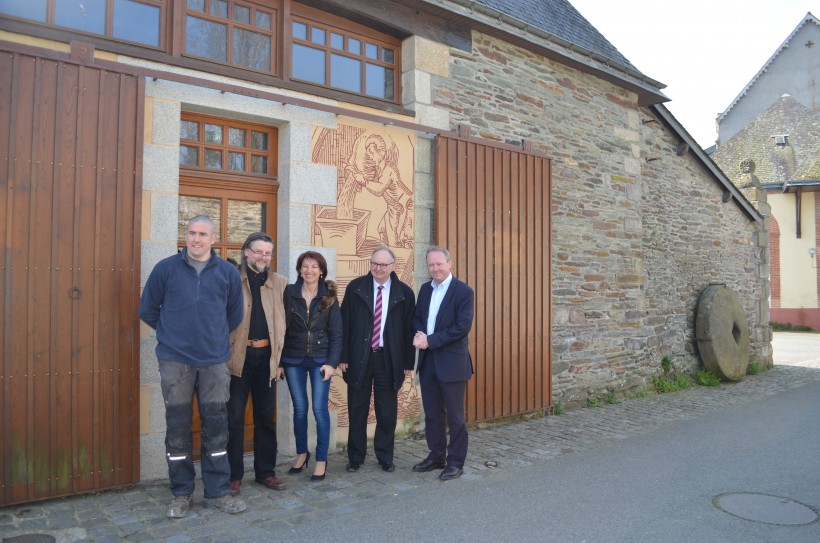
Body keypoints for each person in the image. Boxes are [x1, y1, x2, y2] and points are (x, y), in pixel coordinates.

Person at [138, 215, 246, 518]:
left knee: (216, 427)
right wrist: (173, 336)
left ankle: (218, 492)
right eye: (191, 233)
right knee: (177, 428)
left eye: (202, 234)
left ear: (214, 238)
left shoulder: (227, 273)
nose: (196, 239)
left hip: (213, 362)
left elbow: (234, 315)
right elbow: (147, 309)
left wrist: (210, 337)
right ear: (185, 235)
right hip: (175, 361)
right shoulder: (166, 269)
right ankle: (182, 493)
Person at [340, 247, 415, 473]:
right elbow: (344, 324)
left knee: (387, 412)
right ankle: (355, 457)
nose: (378, 268)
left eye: (383, 265)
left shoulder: (405, 293)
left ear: (393, 266)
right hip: (358, 358)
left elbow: (409, 331)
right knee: (357, 409)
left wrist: (407, 364)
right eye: (374, 263)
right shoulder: (356, 288)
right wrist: (343, 357)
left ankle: (385, 456)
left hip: (389, 360)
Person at [226, 232, 288, 497]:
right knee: (234, 419)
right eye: (259, 251)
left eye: (268, 253)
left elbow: (289, 324)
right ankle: (233, 475)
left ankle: (266, 472)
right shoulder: (231, 279)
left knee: (265, 418)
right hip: (237, 358)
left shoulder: (280, 283)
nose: (263, 257)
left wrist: (281, 361)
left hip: (267, 360)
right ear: (246, 252)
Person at [411, 246, 475, 481]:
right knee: (433, 415)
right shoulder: (425, 289)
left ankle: (456, 461)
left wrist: (430, 340)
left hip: (452, 364)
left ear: (450, 263)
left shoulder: (463, 292)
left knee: (456, 417)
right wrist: (419, 335)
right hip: (428, 362)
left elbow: (461, 327)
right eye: (431, 265)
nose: (435, 268)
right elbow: (418, 317)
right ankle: (436, 456)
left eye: (439, 264)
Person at [279, 251, 342, 482]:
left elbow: (337, 333)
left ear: (322, 270)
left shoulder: (330, 297)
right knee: (299, 409)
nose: (309, 270)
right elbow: (280, 329)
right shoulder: (289, 293)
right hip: (293, 358)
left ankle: (321, 459)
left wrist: (331, 363)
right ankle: (302, 453)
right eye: (305, 266)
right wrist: (279, 362)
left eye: (314, 266)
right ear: (299, 270)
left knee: (319, 410)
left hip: (321, 360)